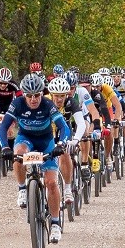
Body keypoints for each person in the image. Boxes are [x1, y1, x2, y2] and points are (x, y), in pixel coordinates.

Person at [0, 74, 71, 243]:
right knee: (19, 154)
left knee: (51, 183)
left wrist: (61, 144)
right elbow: (3, 127)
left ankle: (54, 223)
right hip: (26, 140)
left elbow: (64, 127)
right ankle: (22, 188)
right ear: (24, 94)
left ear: (41, 93)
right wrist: (5, 147)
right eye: (29, 96)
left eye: (37, 95)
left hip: (46, 143)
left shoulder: (48, 104)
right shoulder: (17, 104)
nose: (33, 99)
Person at [46, 77, 84, 205]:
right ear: (51, 95)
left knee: (65, 153)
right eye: (56, 96)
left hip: (64, 133)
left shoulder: (71, 102)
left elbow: (81, 123)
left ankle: (67, 188)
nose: (60, 99)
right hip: (47, 134)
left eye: (62, 96)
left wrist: (76, 140)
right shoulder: (44, 102)